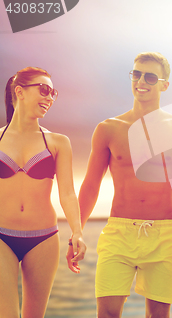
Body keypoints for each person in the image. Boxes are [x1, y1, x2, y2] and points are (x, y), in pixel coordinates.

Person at [72, 52, 172, 318]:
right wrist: (77, 232)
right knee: (107, 314)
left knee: (158, 316)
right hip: (118, 233)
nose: (141, 81)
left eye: (150, 76)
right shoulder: (108, 128)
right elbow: (90, 185)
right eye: (136, 74)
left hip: (165, 234)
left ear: (164, 85)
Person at [0, 67, 86, 318]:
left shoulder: (59, 142)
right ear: (20, 92)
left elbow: (68, 194)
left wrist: (78, 232)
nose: (49, 98)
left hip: (44, 239)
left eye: (53, 93)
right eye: (44, 89)